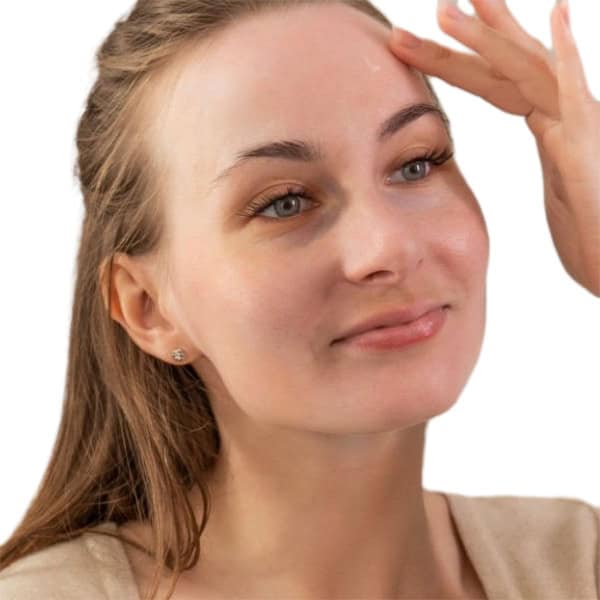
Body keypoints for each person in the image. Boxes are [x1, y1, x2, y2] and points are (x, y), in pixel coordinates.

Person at [0, 0, 598, 599]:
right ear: (148, 308)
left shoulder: (577, 563)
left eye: (415, 164)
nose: (385, 248)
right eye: (284, 203)